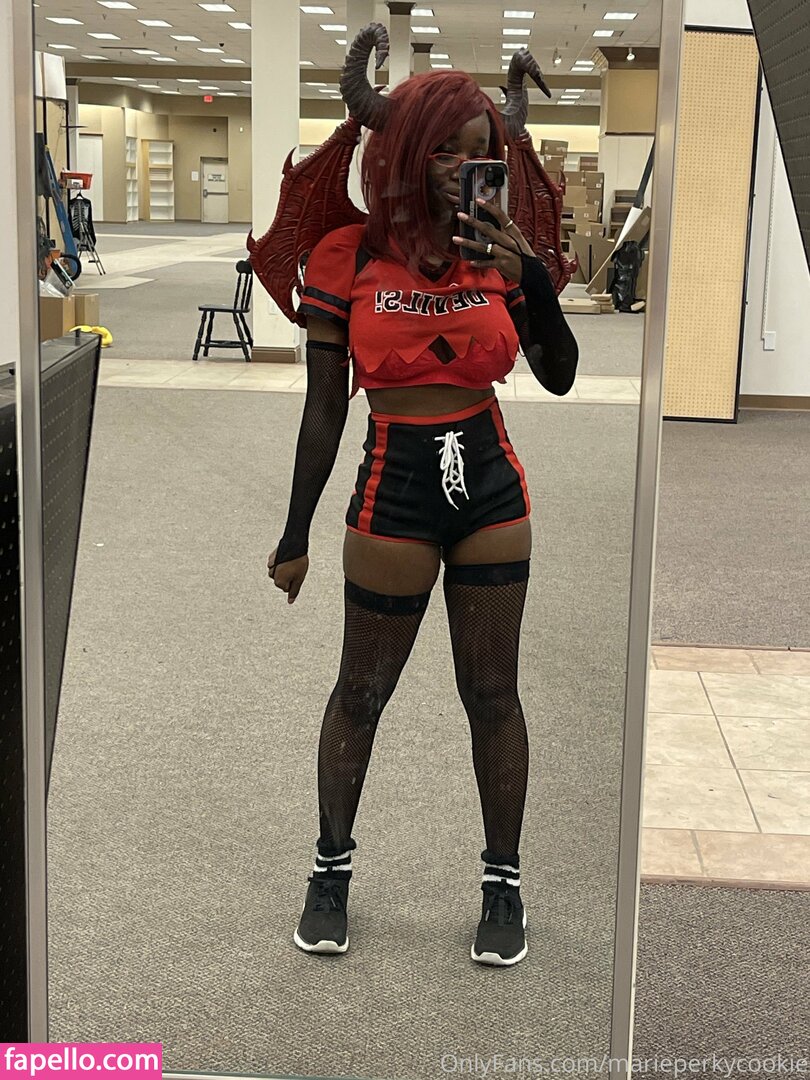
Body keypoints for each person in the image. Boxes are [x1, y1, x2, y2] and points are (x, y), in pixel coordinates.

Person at [265, 23, 578, 967]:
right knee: (361, 692)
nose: (459, 170)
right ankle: (329, 871)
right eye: (441, 151)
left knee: (494, 695)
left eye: (477, 154)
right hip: (392, 487)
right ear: (400, 153)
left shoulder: (502, 250)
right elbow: (325, 411)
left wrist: (532, 279)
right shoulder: (346, 258)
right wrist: (294, 534)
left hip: (491, 488)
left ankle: (503, 883)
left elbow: (560, 374)